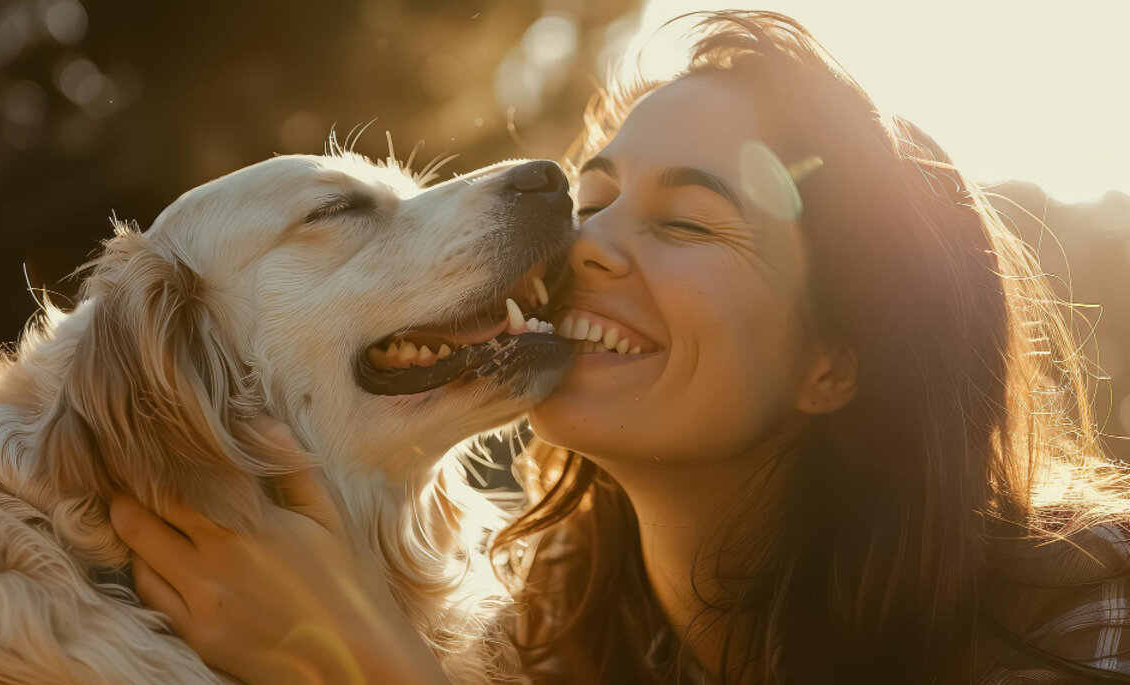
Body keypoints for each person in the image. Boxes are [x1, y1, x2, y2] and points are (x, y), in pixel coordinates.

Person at [110, 11, 1130, 684]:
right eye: (591, 200)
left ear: (833, 360)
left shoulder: (1084, 625)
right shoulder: (543, 636)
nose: (584, 247)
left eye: (686, 223)